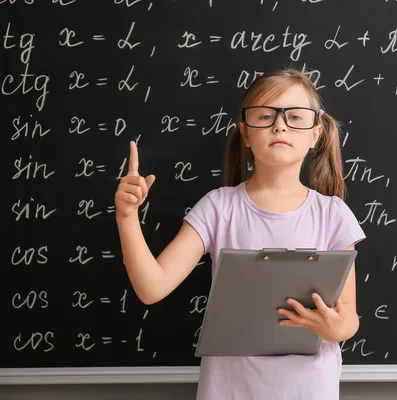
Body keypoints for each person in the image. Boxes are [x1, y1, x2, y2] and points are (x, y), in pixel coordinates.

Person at [114, 68, 366, 399]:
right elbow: (152, 287)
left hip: (309, 390)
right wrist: (127, 216)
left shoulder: (332, 215)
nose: (280, 125)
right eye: (265, 115)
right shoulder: (219, 208)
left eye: (295, 117)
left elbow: (348, 320)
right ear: (245, 132)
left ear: (315, 134)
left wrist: (333, 327)